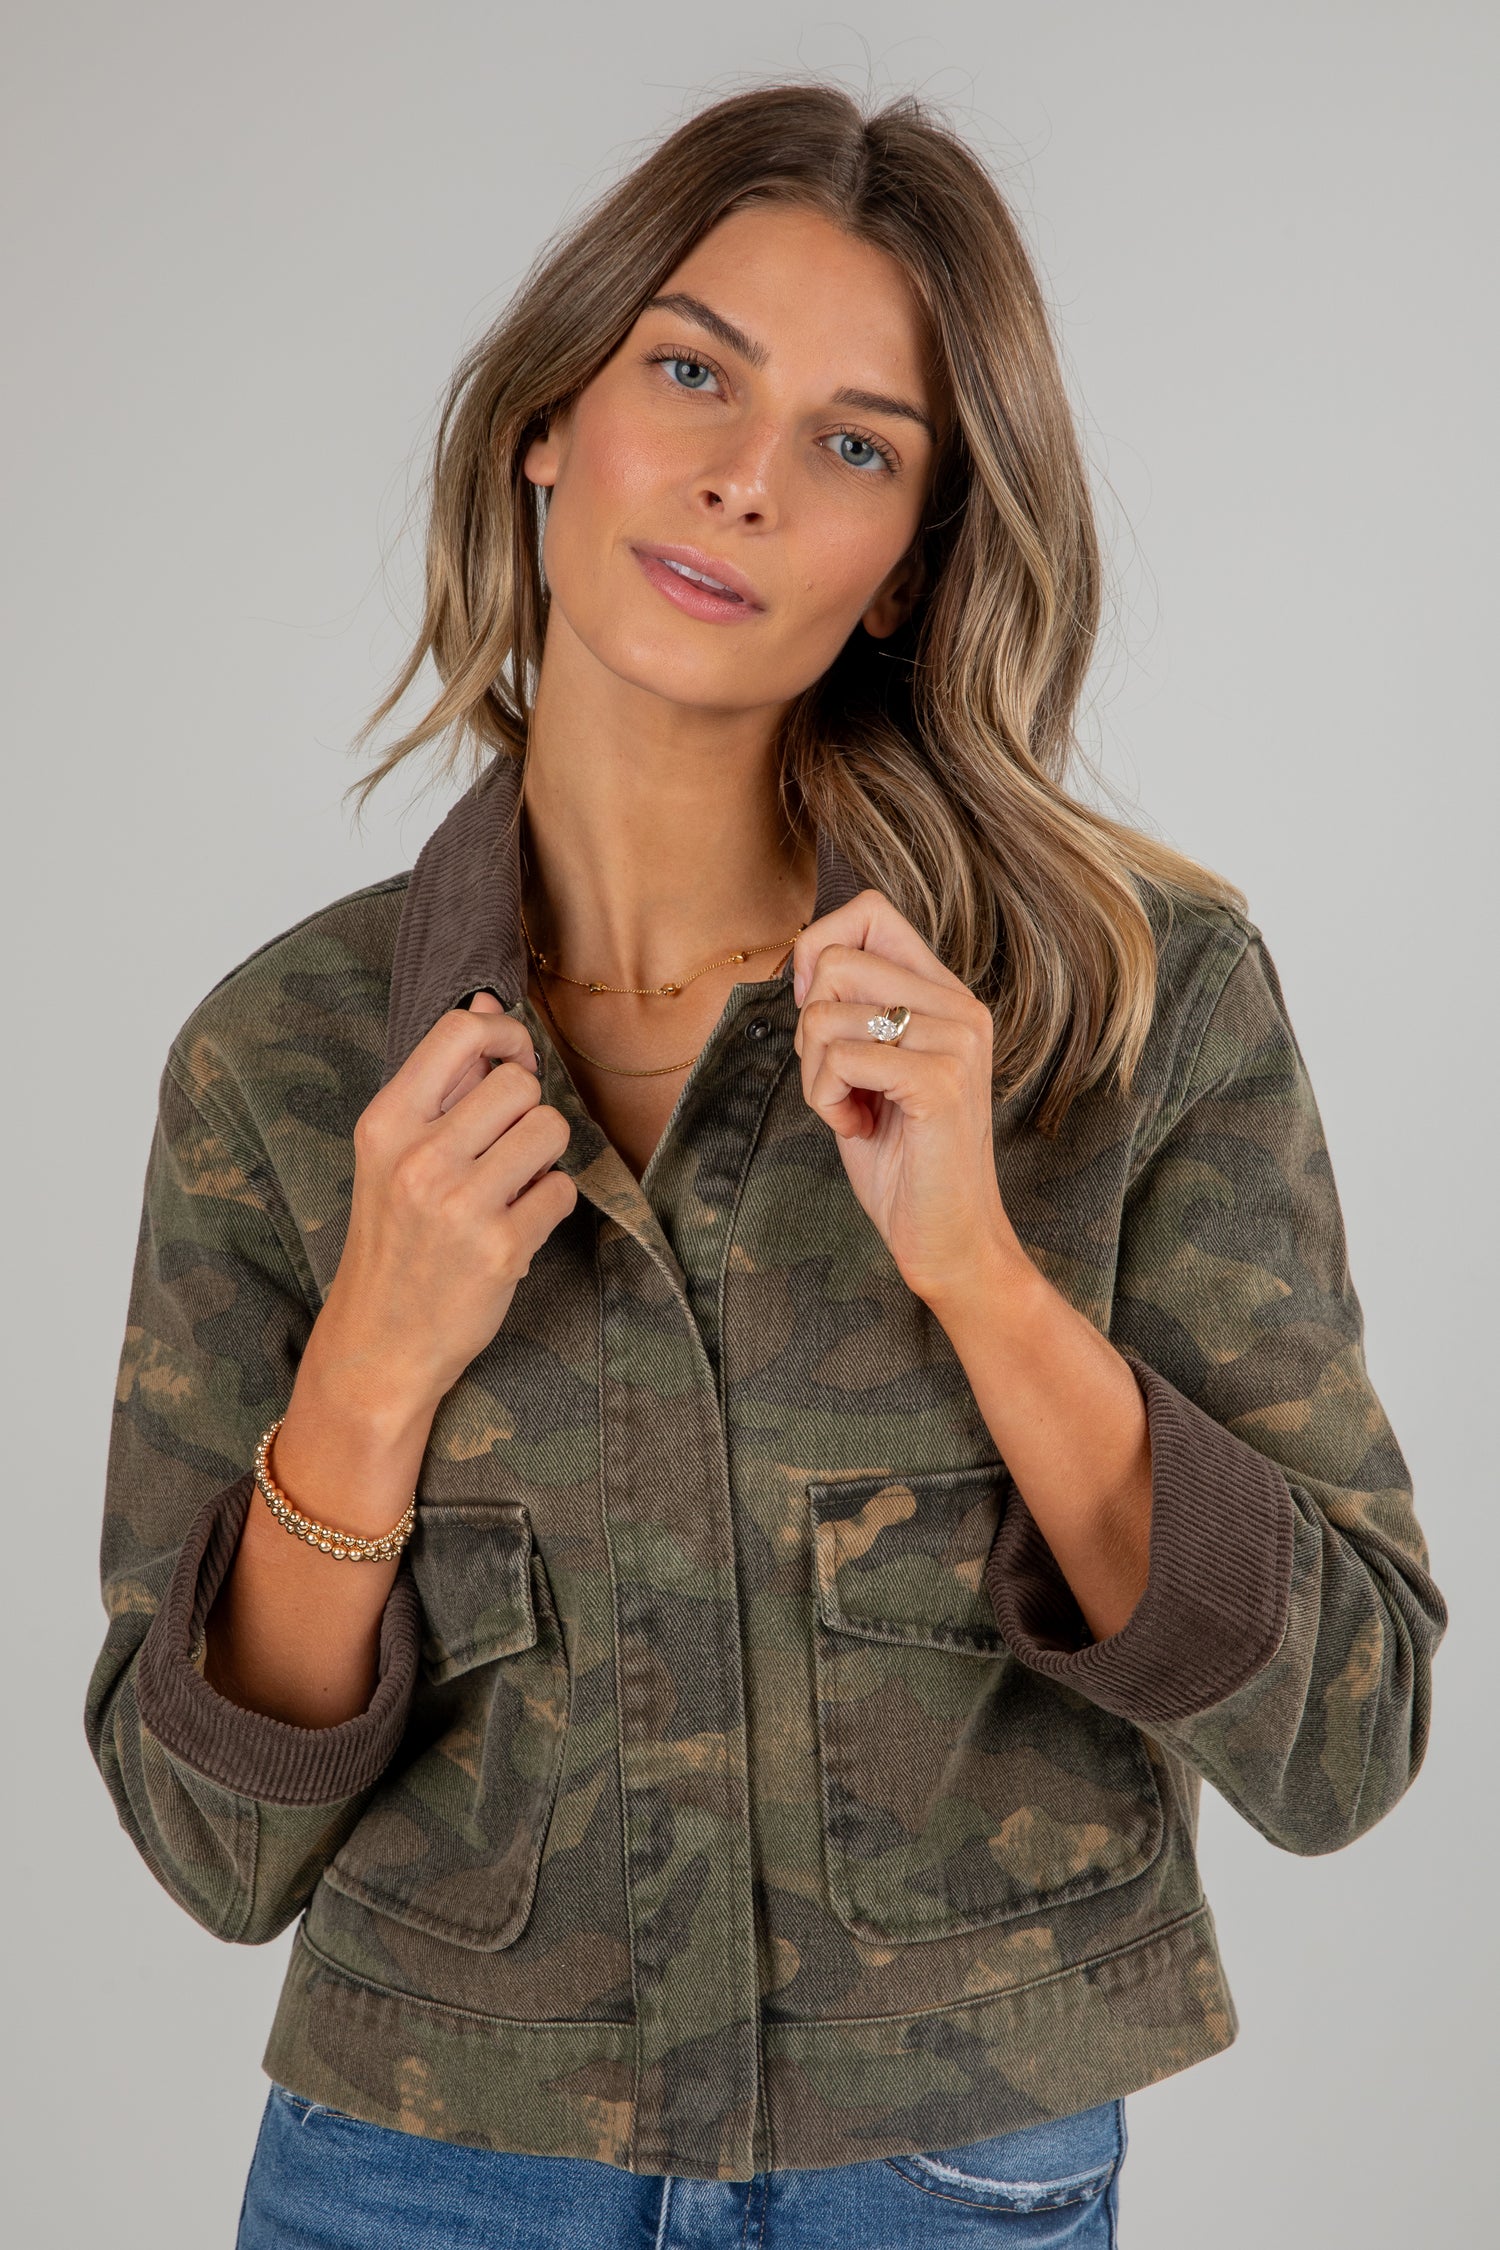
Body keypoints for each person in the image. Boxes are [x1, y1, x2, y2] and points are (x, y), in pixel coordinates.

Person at [85, 80, 1447, 2250]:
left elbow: (1346, 1733)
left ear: (910, 558)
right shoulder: (285, 1068)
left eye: (854, 440)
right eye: (694, 369)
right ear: (555, 415)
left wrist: (989, 1278)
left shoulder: (1130, 1004)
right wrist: (367, 1366)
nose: (742, 472)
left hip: (945, 2178)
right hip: (421, 2180)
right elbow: (200, 1839)